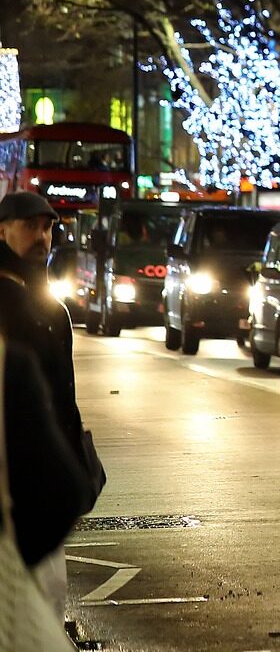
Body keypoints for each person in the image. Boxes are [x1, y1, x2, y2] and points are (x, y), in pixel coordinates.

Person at [0, 190, 90, 625]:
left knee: (48, 598)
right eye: (30, 225)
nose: (41, 236)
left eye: (48, 227)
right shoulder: (10, 300)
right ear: (2, 229)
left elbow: (63, 394)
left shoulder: (48, 304)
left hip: (42, 468)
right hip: (13, 478)